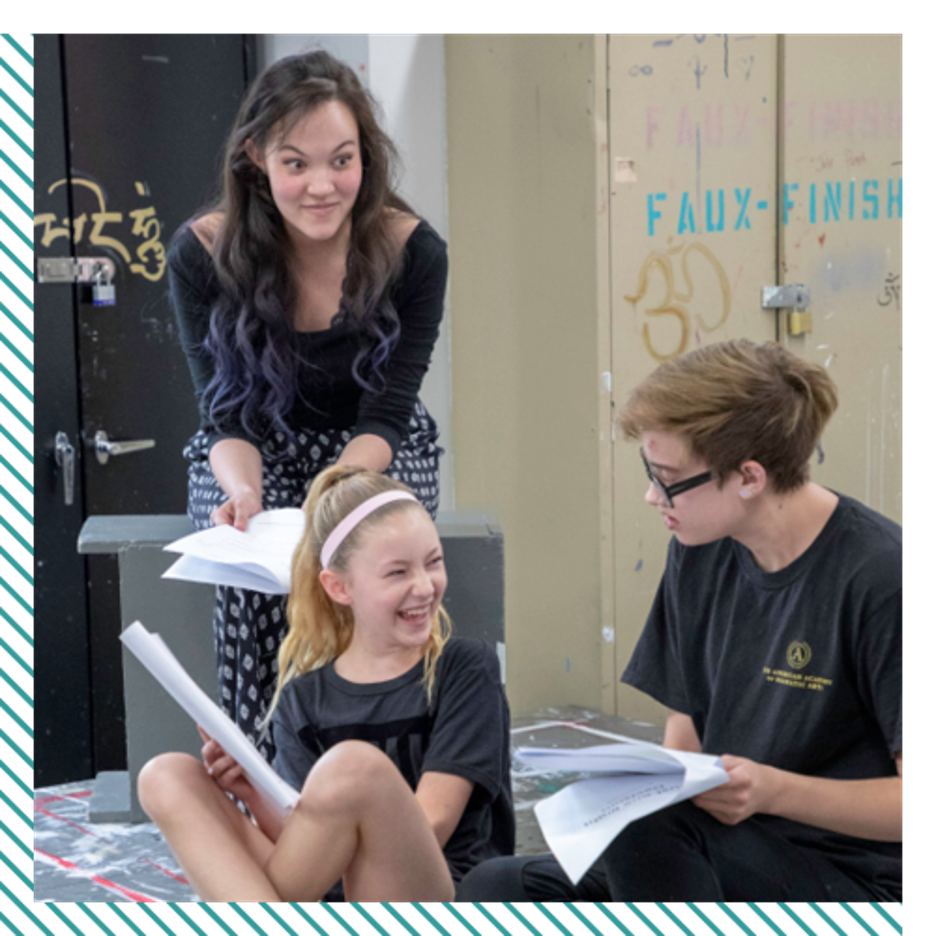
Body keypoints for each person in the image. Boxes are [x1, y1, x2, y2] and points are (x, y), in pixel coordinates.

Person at [456, 339, 902, 903]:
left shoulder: (880, 577)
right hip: (722, 846)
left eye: (667, 478)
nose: (650, 496)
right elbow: (684, 735)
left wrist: (772, 792)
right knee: (500, 886)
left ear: (749, 477)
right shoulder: (701, 547)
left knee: (651, 832)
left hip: (850, 874)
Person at [167, 50, 447, 759]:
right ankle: (267, 779)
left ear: (366, 157)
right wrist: (243, 493)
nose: (322, 186)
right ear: (257, 157)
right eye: (296, 164)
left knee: (372, 568)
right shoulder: (202, 253)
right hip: (251, 451)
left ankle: (379, 773)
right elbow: (223, 415)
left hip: (373, 448)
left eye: (341, 160)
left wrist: (334, 498)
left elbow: (388, 412)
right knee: (252, 575)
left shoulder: (413, 252)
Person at [138, 466, 514, 902]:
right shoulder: (303, 698)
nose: (424, 585)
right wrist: (251, 792)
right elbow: (302, 842)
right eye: (397, 573)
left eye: (434, 562)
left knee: (353, 767)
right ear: (339, 587)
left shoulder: (465, 668)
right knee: (165, 776)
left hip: (435, 887)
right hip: (327, 891)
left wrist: (344, 798)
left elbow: (431, 824)